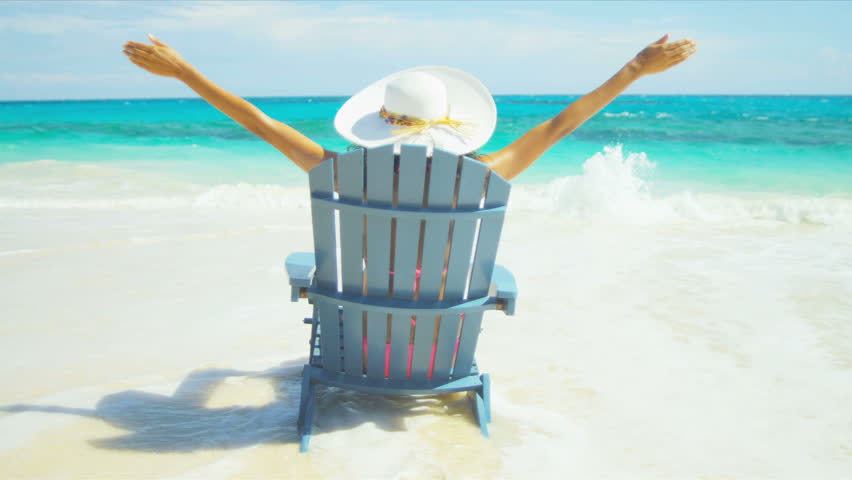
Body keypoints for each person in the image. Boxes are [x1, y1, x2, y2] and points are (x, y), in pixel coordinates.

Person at [123, 33, 696, 181]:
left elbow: (257, 120)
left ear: (378, 124)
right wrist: (635, 69)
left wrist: (186, 73)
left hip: (359, 335)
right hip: (443, 343)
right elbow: (560, 124)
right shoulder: (487, 174)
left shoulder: (337, 173)